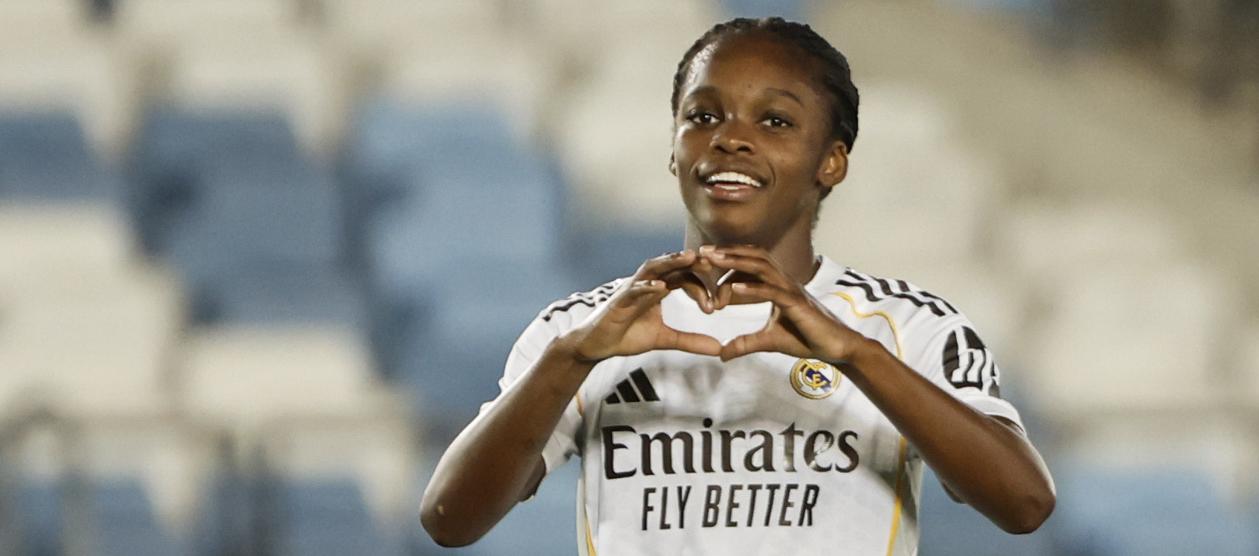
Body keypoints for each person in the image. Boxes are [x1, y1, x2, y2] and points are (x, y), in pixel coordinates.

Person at [421, 17, 1055, 555]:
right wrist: (573, 360)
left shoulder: (905, 326)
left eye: (775, 121)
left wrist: (855, 355)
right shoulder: (581, 332)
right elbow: (450, 520)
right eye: (703, 115)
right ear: (674, 148)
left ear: (831, 161)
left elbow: (1024, 505)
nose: (730, 138)